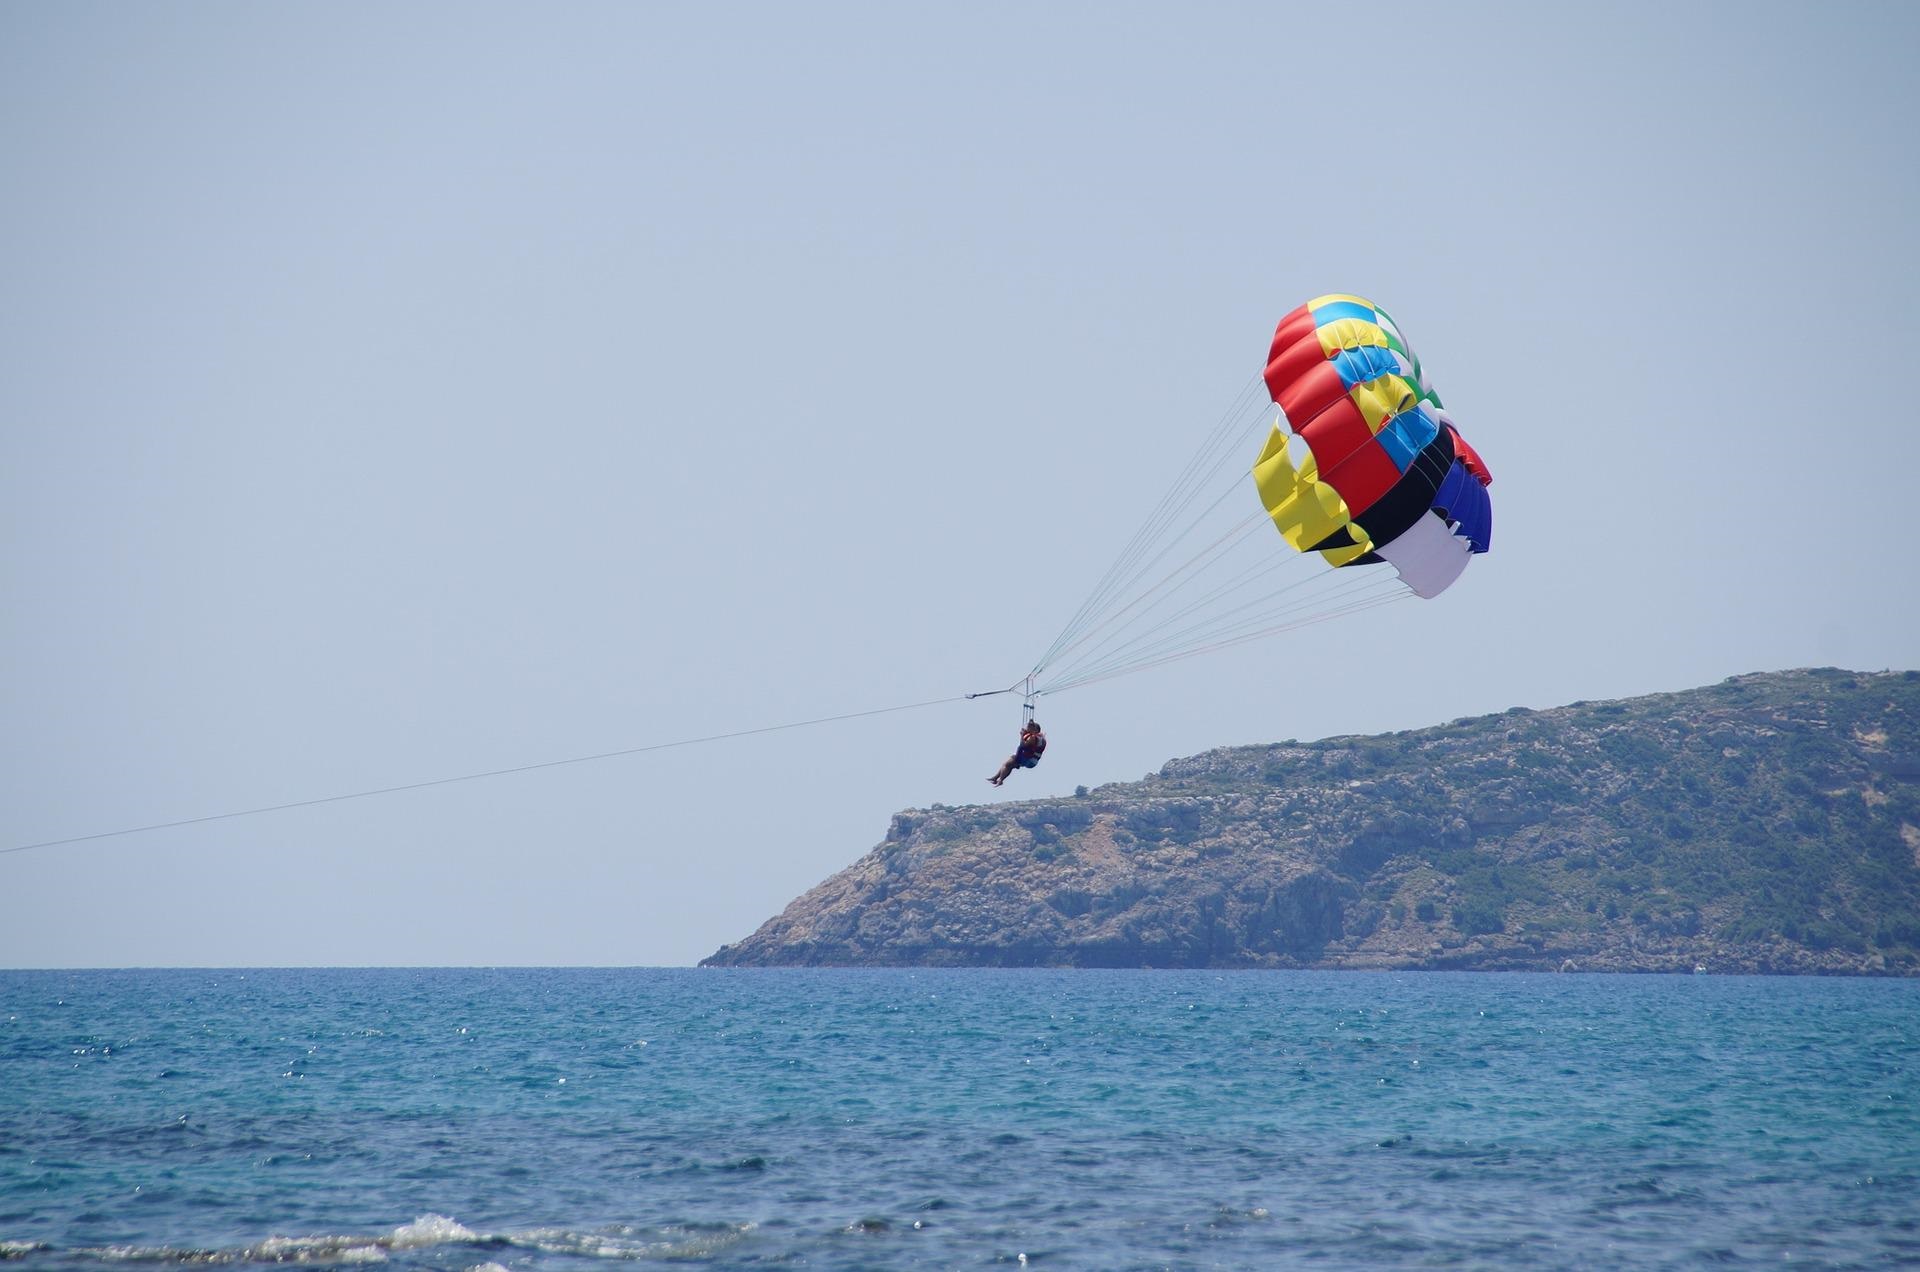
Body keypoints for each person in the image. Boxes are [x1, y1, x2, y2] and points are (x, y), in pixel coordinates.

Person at [989, 720, 1046, 786]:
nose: (1027, 728)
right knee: (1010, 765)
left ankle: (1000, 780)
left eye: (1029, 727)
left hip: (1028, 760)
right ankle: (996, 778)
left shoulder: (1032, 738)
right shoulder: (1040, 738)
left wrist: (1022, 735)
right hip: (1032, 761)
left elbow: (1022, 745)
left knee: (1007, 763)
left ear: (1035, 730)